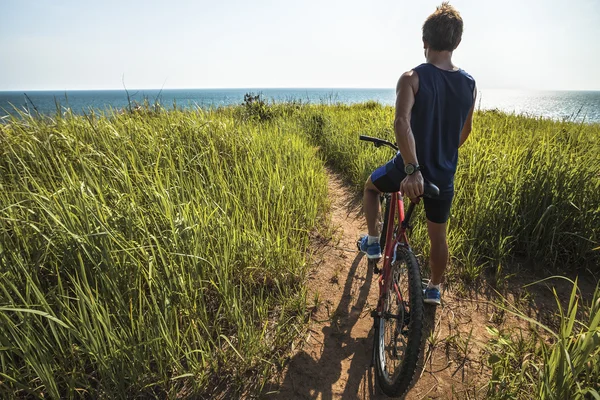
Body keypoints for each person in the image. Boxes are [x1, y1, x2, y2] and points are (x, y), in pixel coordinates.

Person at [358, 2, 477, 305]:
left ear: (424, 42)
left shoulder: (412, 77)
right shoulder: (469, 84)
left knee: (371, 188)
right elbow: (464, 133)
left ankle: (372, 242)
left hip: (409, 171)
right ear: (457, 43)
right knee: (439, 237)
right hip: (443, 176)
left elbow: (401, 123)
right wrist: (442, 153)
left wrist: (412, 168)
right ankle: (434, 288)